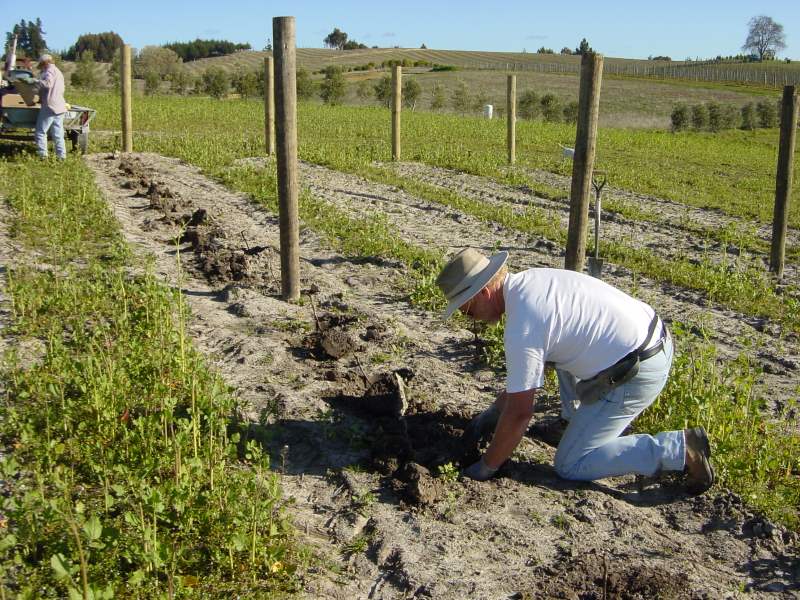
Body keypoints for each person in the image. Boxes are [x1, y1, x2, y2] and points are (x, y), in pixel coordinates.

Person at [436, 248, 714, 494]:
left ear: (483, 292)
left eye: (468, 311)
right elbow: (527, 377)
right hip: (650, 337)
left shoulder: (523, 326)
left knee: (570, 465)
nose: (469, 318)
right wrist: (493, 414)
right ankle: (572, 422)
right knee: (555, 351)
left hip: (637, 372)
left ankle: (680, 449)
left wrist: (485, 467)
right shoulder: (532, 282)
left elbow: (521, 412)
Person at [33, 54, 67, 160]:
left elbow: (48, 84)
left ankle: (43, 157)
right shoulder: (59, 72)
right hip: (60, 105)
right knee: (58, 134)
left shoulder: (49, 71)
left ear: (45, 63)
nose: (41, 68)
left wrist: (36, 82)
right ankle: (61, 157)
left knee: (40, 132)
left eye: (42, 65)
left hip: (50, 106)